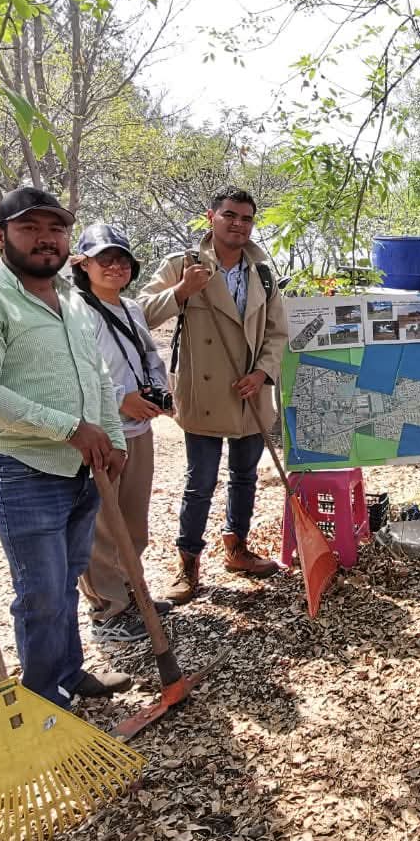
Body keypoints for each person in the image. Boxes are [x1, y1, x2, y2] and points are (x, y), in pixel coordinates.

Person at [0, 187, 132, 708]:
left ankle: (68, 671)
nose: (46, 240)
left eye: (57, 230)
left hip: (80, 471)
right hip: (20, 471)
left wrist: (112, 439)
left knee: (66, 581)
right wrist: (69, 428)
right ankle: (47, 699)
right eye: (30, 229)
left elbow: (96, 378)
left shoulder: (70, 302)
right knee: (41, 594)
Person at [138, 186, 290, 602]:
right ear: (212, 217)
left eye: (246, 218)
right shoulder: (182, 265)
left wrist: (262, 373)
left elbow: (277, 332)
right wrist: (181, 292)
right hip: (204, 392)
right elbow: (140, 315)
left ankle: (237, 548)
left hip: (250, 392)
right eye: (230, 216)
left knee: (245, 477)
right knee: (199, 482)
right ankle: (188, 563)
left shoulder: (261, 272)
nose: (238, 224)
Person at [70, 223, 176, 644]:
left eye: (122, 259)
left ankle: (133, 593)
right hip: (100, 428)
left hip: (138, 427)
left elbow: (150, 355)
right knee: (100, 523)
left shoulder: (131, 309)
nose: (115, 266)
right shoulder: (75, 310)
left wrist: (160, 393)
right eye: (104, 259)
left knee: (132, 519)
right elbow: (77, 372)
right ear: (84, 264)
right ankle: (107, 610)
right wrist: (119, 399)